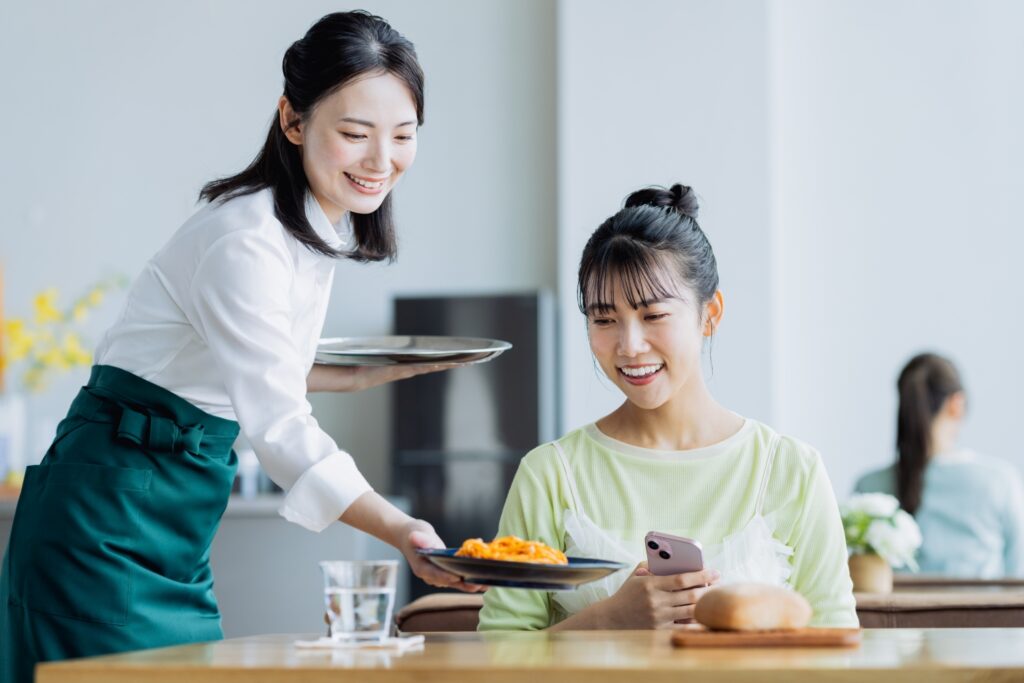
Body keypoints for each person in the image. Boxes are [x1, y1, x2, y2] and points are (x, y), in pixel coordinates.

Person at [0, 11, 477, 682]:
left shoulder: (316, 229)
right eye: (354, 134)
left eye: (403, 136)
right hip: (105, 514)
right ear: (293, 120)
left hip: (175, 517)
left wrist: (378, 370)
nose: (381, 161)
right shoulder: (245, 238)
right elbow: (279, 423)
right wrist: (403, 530)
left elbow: (258, 368)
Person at [478, 184, 858, 631]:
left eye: (653, 315)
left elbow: (838, 649)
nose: (629, 346)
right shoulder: (550, 475)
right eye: (604, 320)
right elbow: (499, 654)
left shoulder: (791, 469)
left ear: (710, 313)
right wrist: (609, 620)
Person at [854, 353, 1024, 578]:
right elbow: (1017, 579)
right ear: (957, 404)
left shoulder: (869, 488)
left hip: (890, 614)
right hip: (980, 613)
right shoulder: (999, 482)